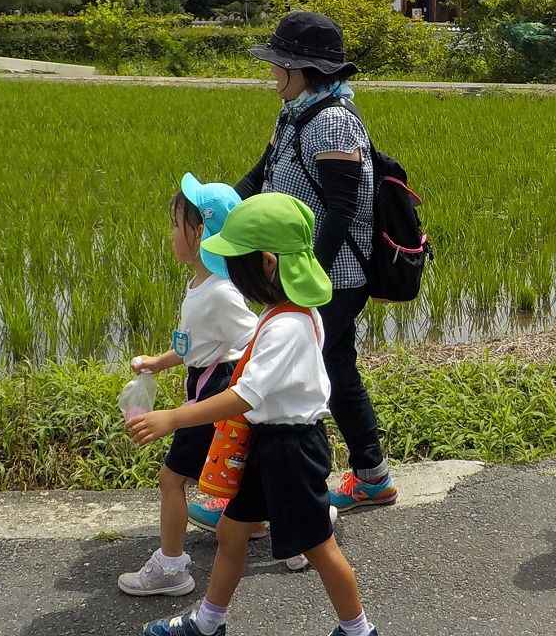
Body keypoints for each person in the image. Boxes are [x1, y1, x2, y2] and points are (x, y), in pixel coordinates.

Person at [128, 193, 380, 636]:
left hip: (291, 451)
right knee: (231, 533)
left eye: (237, 265)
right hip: (271, 444)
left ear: (266, 264)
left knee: (320, 547)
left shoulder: (287, 325)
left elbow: (244, 395)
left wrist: (173, 418)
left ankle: (359, 630)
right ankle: (208, 624)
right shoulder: (283, 313)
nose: (232, 279)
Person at [231, 11, 397, 515]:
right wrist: (218, 214)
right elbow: (262, 173)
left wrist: (310, 277)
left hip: (333, 277)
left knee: (327, 371)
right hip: (298, 271)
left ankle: (357, 477)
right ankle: (362, 475)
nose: (272, 73)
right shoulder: (296, 112)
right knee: (325, 367)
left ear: (304, 69)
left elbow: (345, 208)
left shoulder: (333, 120)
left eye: (279, 64)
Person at [118, 176, 259, 597]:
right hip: (205, 381)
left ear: (200, 234)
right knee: (244, 465)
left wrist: (240, 385)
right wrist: (157, 363)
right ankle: (261, 520)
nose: (170, 232)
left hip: (216, 390)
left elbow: (257, 338)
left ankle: (172, 566)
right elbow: (194, 345)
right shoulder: (200, 285)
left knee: (171, 477)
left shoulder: (220, 293)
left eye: (176, 223)